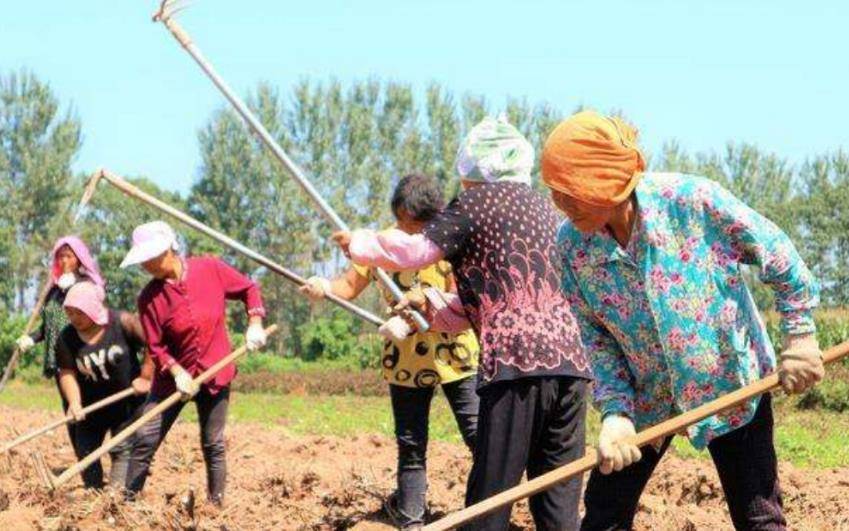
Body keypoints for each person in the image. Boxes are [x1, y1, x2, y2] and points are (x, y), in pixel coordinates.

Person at [540, 110, 825, 531]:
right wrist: (616, 412)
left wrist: (800, 337)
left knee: (758, 517)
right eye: (554, 192)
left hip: (732, 387)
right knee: (603, 518)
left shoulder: (692, 202)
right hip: (644, 401)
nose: (559, 204)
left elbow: (779, 256)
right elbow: (593, 336)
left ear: (605, 181)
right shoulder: (571, 247)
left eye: (569, 191)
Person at [334, 117, 591, 530]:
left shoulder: (475, 203)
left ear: (472, 171)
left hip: (516, 365)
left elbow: (416, 251)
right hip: (571, 367)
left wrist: (361, 244)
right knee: (557, 503)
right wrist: (432, 307)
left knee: (488, 501)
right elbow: (495, 296)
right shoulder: (545, 208)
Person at [301, 174, 480, 530]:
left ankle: (488, 513)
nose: (404, 230)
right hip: (406, 359)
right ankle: (412, 519)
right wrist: (325, 287)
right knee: (411, 442)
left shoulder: (450, 239)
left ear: (433, 216)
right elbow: (349, 286)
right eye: (399, 220)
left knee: (480, 436)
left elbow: (459, 298)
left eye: (411, 224)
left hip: (455, 355)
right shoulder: (381, 244)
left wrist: (420, 314)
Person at [120, 221, 268, 506]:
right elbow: (156, 346)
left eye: (149, 258)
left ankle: (216, 505)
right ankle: (126, 504)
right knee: (145, 438)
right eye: (142, 260)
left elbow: (249, 289)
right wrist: (177, 372)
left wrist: (255, 322)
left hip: (216, 371)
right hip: (172, 380)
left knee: (213, 442)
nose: (145, 265)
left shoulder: (209, 268)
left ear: (169, 249)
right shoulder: (149, 299)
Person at [55, 281, 154, 490]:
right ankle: (93, 493)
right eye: (70, 313)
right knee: (86, 451)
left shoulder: (123, 323)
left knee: (121, 448)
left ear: (92, 307)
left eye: (79, 313)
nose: (74, 318)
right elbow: (67, 373)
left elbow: (153, 344)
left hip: (126, 404)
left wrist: (146, 376)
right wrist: (74, 402)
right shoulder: (66, 338)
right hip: (92, 407)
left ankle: (116, 497)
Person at [15, 236, 106, 452]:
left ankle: (98, 452)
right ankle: (83, 457)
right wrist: (32, 339)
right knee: (70, 407)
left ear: (78, 259)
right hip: (59, 358)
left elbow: (95, 312)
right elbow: (49, 325)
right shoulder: (53, 290)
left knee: (89, 405)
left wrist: (74, 287)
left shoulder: (88, 285)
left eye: (69, 256)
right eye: (60, 256)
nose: (64, 261)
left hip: (83, 355)